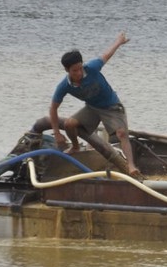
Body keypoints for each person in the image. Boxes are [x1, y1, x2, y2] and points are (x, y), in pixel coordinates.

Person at [49, 32, 142, 178]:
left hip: (111, 106)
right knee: (69, 124)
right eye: (75, 70)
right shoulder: (64, 86)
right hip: (92, 108)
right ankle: (75, 146)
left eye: (80, 68)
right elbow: (53, 108)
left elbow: (106, 55)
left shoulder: (92, 67)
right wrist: (57, 132)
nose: (79, 72)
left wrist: (118, 41)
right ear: (67, 70)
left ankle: (131, 166)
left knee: (122, 133)